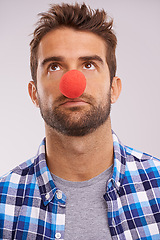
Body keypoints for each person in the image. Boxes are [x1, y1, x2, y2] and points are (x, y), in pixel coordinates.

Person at [0, 3, 160, 240]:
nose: (73, 83)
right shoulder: (4, 204)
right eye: (54, 67)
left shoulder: (157, 187)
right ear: (34, 93)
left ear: (113, 88)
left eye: (88, 65)